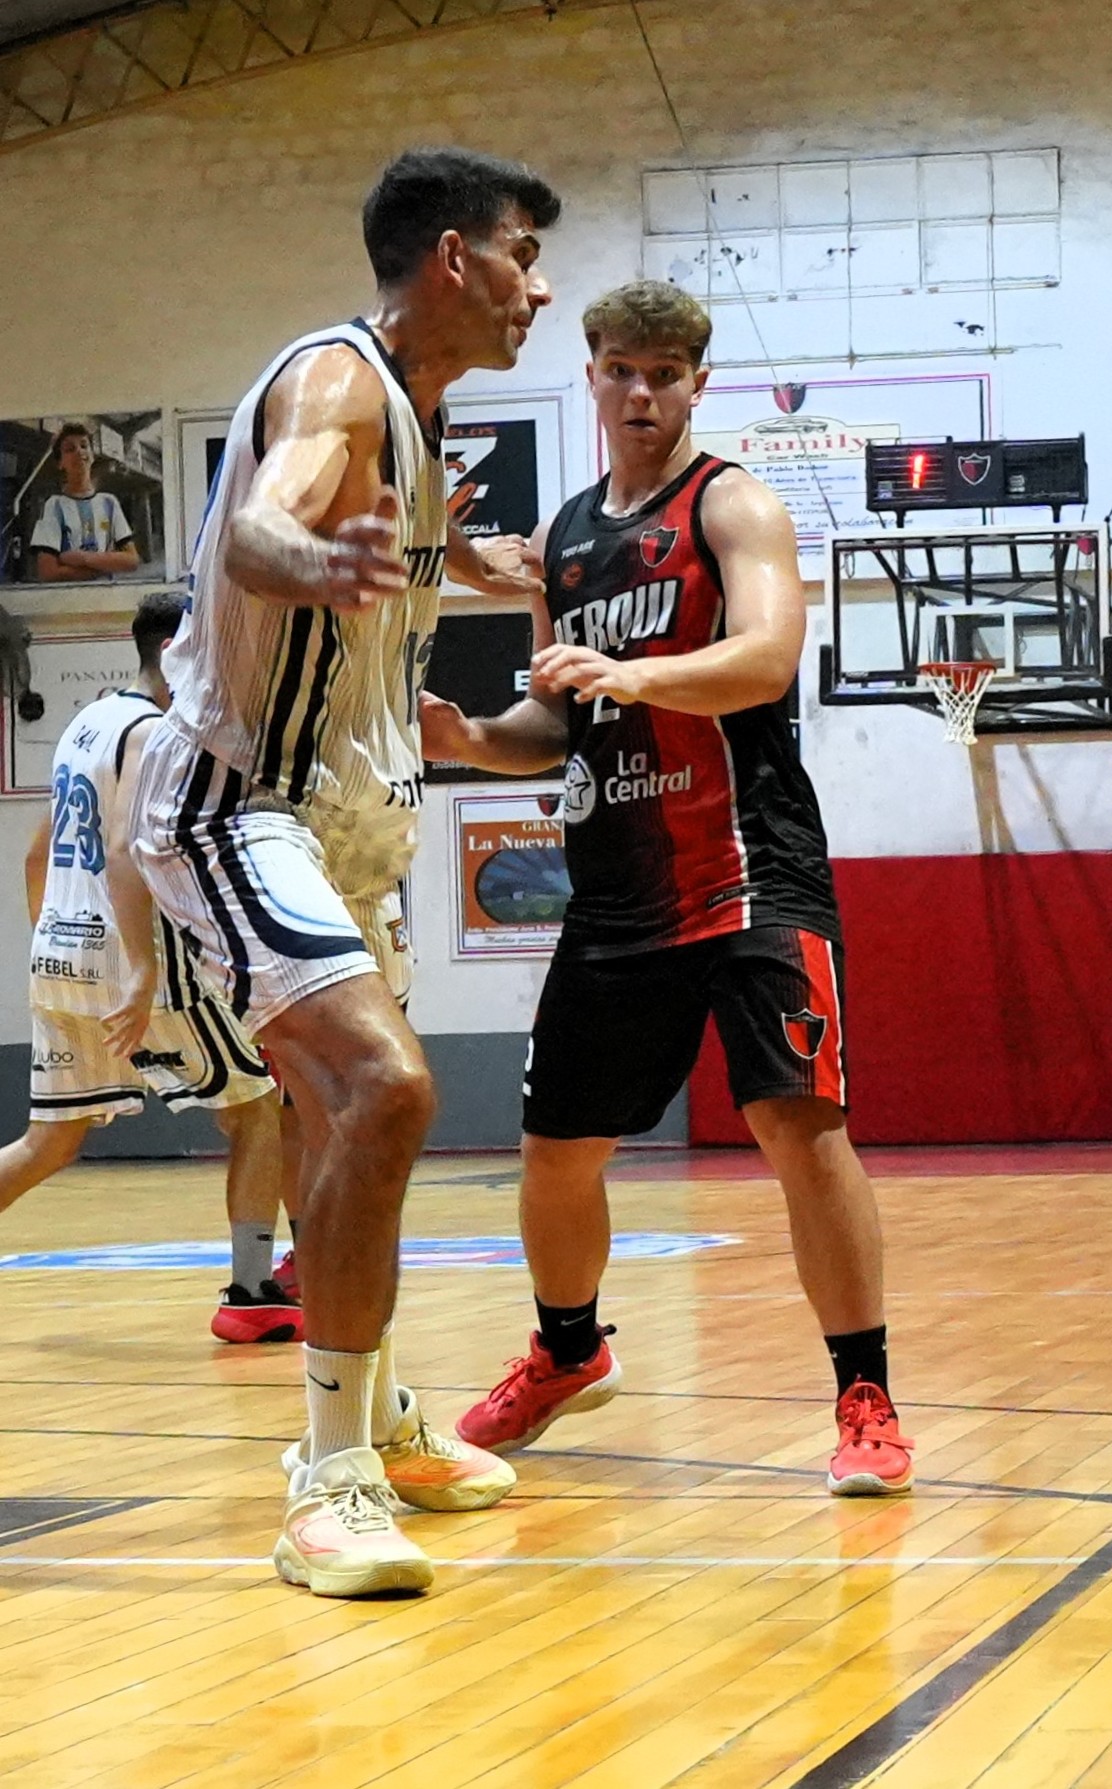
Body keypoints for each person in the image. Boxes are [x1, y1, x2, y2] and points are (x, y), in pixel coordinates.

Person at [130, 146, 560, 1597]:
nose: (536, 288)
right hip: (237, 801)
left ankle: (368, 1415)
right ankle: (328, 1481)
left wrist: (489, 567)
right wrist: (299, 560)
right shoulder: (340, 385)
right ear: (452, 257)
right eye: (521, 255)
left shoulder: (424, 423)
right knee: (387, 1088)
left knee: (341, 1129)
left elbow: (414, 549)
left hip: (347, 825)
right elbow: (267, 521)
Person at [425, 280, 912, 1498]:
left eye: (664, 374)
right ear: (591, 376)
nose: (641, 392)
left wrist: (637, 676)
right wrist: (471, 737)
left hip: (750, 871)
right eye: (621, 371)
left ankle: (865, 1395)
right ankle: (568, 1352)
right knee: (555, 1152)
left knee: (799, 1127)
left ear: (698, 382)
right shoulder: (567, 540)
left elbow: (767, 658)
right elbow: (555, 721)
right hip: (618, 888)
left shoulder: (731, 504)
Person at [3, 592, 297, 1341]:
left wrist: (60, 948)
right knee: (258, 1110)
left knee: (48, 1142)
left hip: (59, 950)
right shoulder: (158, 732)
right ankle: (252, 1289)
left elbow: (37, 853)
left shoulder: (87, 724)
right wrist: (133, 969)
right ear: (171, 652)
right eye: (207, 651)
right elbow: (129, 848)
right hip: (137, 958)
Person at [27, 421, 144, 582]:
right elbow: (48, 572)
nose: (79, 451)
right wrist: (108, 564)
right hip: (69, 597)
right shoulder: (54, 505)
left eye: (84, 446)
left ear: (92, 456)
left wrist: (84, 558)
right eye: (70, 449)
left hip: (107, 594)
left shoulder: (109, 502)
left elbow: (132, 561)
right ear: (60, 463)